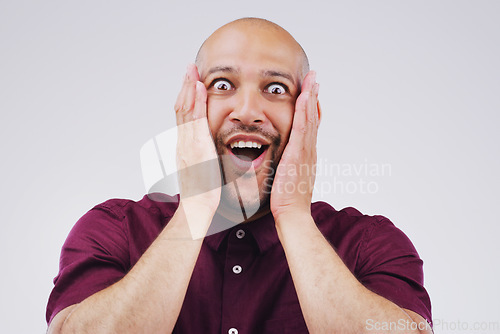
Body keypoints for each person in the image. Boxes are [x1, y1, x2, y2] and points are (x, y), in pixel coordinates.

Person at [46, 18, 432, 333]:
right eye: (223, 85)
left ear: (306, 112)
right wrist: (196, 207)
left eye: (276, 88)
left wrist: (294, 215)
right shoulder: (114, 230)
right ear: (190, 105)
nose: (247, 111)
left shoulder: (368, 244)